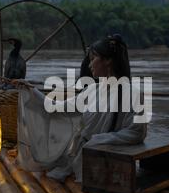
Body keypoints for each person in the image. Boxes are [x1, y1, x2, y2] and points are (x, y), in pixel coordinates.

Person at [12, 34, 147, 183]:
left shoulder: (132, 93)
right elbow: (58, 109)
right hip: (84, 158)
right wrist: (31, 90)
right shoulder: (93, 90)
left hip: (110, 164)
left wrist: (98, 140)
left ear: (108, 60)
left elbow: (137, 132)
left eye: (93, 59)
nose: (89, 65)